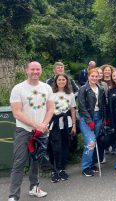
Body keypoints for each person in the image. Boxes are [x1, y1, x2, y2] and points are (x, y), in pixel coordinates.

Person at [8, 61, 54, 200]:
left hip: (41, 131)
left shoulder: (46, 87)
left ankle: (34, 187)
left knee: (36, 160)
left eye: (38, 69)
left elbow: (50, 108)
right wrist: (36, 125)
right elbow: (17, 113)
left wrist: (44, 124)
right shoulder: (18, 88)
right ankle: (13, 195)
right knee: (19, 162)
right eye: (32, 69)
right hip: (24, 130)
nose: (35, 72)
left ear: (41, 71)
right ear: (26, 70)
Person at [78, 69, 108, 177]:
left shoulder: (100, 88)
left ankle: (91, 164)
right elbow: (81, 107)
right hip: (86, 119)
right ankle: (85, 167)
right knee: (90, 142)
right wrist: (89, 121)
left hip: (98, 117)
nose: (94, 78)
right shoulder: (83, 89)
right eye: (92, 76)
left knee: (95, 141)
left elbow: (103, 105)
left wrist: (104, 118)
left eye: (96, 76)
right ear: (88, 77)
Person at [48, 74, 76, 183]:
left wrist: (73, 125)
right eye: (59, 79)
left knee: (65, 146)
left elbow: (73, 109)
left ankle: (62, 169)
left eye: (63, 79)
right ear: (55, 81)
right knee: (55, 147)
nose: (61, 81)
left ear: (66, 81)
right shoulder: (51, 94)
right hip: (54, 123)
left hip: (66, 123)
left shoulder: (70, 94)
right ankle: (54, 170)